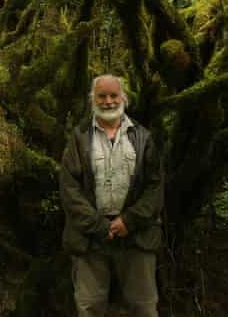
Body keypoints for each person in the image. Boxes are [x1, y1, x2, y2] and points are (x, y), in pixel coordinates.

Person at [59, 74, 164, 317]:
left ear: (124, 98)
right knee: (89, 306)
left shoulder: (143, 137)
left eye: (113, 95)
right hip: (90, 237)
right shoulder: (79, 138)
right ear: (92, 99)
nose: (108, 101)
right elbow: (69, 189)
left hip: (137, 235)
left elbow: (156, 188)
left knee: (144, 307)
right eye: (102, 96)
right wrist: (97, 225)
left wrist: (129, 221)